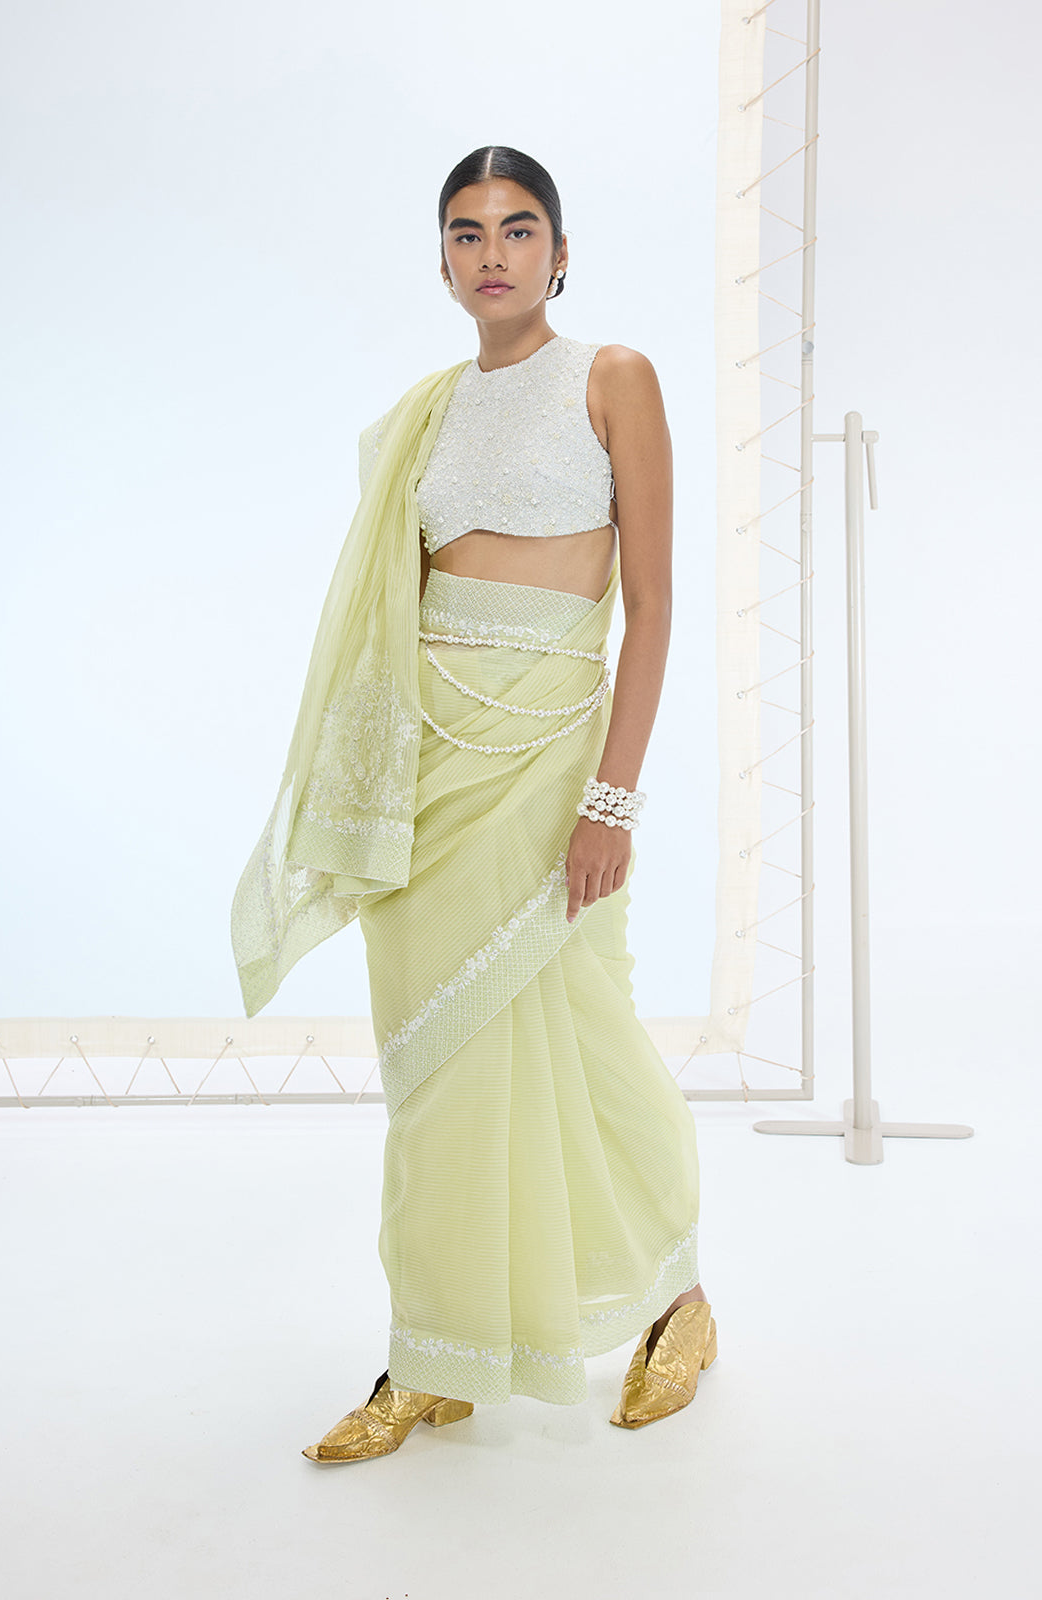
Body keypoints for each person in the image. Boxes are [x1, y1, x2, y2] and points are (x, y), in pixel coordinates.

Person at [231, 145, 716, 1464]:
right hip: (429, 780)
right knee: (431, 1070)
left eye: (517, 228)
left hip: (551, 764)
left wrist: (612, 801)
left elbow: (655, 607)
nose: (492, 252)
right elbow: (389, 610)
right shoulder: (427, 415)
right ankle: (433, 1352)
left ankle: (674, 1297)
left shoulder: (613, 378)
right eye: (466, 232)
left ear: (560, 253)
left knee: (583, 1032)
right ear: (442, 261)